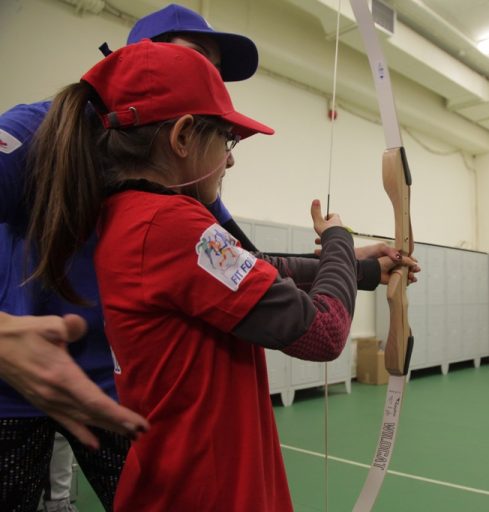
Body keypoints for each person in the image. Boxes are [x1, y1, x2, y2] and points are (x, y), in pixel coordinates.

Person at [25, 39, 363, 511]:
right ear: (183, 137)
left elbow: (258, 268)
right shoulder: (172, 225)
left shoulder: (133, 216)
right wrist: (340, 242)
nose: (229, 159)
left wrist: (359, 266)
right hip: (207, 492)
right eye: (224, 139)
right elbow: (323, 333)